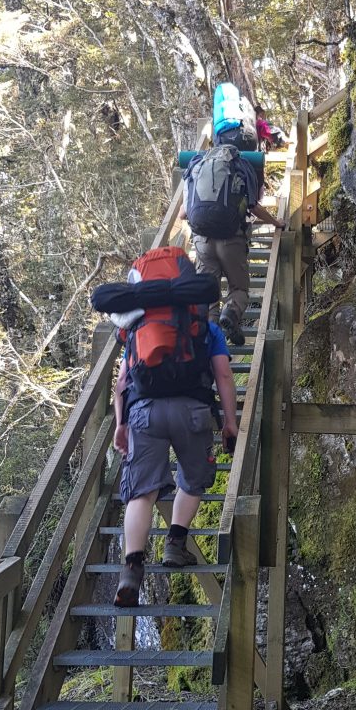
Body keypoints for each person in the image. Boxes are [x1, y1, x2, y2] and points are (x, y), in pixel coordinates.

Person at [111, 306, 238, 607]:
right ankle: (175, 544)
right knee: (193, 480)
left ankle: (131, 569)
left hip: (144, 414)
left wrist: (120, 425)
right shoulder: (207, 329)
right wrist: (230, 421)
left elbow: (121, 384)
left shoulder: (138, 327)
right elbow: (223, 373)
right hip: (192, 412)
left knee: (141, 492)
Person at [180, 150, 286, 347]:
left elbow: (181, 215)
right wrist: (275, 222)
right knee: (239, 288)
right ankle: (231, 312)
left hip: (203, 242)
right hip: (231, 240)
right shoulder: (239, 166)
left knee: (209, 293)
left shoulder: (197, 168)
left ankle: (211, 341)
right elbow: (253, 207)